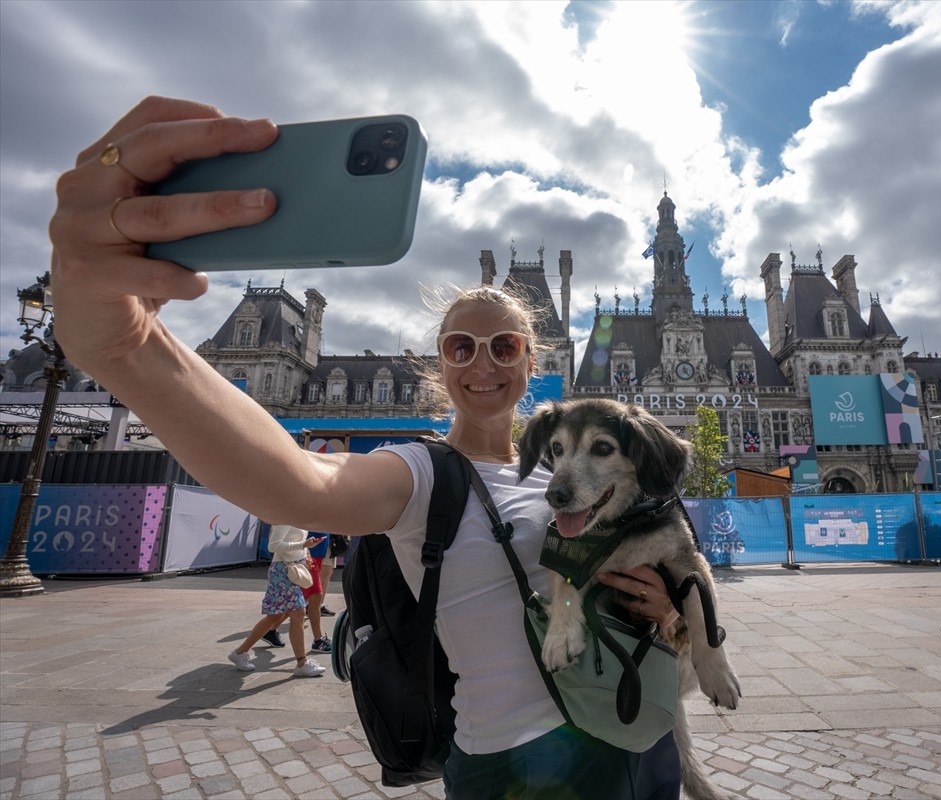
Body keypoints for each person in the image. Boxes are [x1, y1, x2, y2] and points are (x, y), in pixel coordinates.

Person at [48, 97, 682, 799]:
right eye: (460, 347)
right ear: (438, 366)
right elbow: (300, 483)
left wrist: (666, 613)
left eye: (504, 347)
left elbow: (657, 595)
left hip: (640, 739)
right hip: (516, 769)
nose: (483, 363)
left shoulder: (583, 476)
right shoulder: (419, 473)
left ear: (532, 362)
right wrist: (128, 347)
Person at [228, 524, 326, 678]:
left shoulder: (296, 517)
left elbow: (293, 541)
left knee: (276, 616)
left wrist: (305, 552)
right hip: (283, 571)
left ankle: (240, 652)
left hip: (289, 570)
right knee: (298, 613)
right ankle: (302, 663)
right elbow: (273, 545)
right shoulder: (285, 518)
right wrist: (303, 545)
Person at [306, 533, 331, 652]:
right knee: (314, 596)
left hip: (317, 551)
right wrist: (304, 548)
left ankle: (270, 630)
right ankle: (318, 640)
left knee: (302, 602)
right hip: (309, 555)